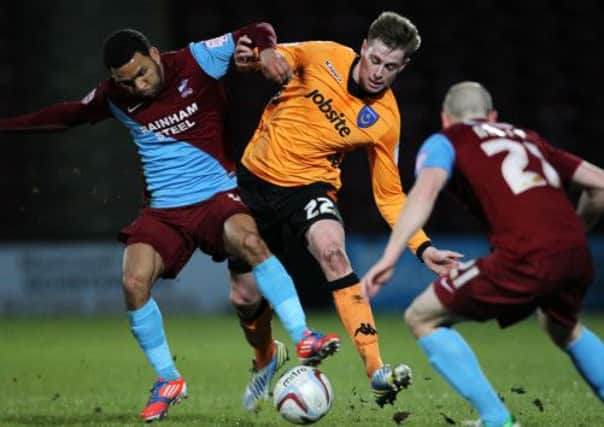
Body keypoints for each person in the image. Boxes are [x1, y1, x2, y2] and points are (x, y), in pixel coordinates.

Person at [0, 25, 342, 421]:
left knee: (249, 250)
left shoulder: (198, 59)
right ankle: (168, 379)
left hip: (217, 196)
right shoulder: (114, 96)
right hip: (165, 211)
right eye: (126, 82)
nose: (139, 86)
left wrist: (266, 49)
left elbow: (256, 29)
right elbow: (68, 115)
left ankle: (303, 336)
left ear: (156, 54)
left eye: (142, 73)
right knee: (133, 281)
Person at [233, 11, 462, 407]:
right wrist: (259, 56)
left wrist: (423, 248)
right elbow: (273, 57)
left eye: (391, 66)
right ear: (363, 48)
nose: (378, 72)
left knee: (334, 254)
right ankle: (265, 356)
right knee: (244, 298)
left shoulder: (385, 120)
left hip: (311, 187)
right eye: (375, 59)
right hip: (255, 181)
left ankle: (376, 371)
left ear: (403, 67)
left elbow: (390, 196)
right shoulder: (323, 55)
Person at [362, 81, 604, 426]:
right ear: (492, 116)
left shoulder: (449, 138)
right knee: (563, 327)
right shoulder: (528, 138)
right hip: (576, 253)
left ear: (446, 119)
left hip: (525, 254)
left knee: (421, 317)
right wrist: (575, 233)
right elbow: (599, 184)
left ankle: (497, 420)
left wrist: (390, 256)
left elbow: (425, 191)